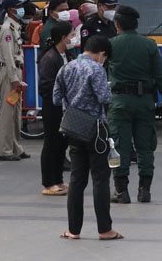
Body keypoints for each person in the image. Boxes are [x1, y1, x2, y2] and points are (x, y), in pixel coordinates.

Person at [54, 35, 122, 241]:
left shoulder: (65, 68)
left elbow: (56, 98)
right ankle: (104, 229)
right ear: (102, 54)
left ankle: (73, 230)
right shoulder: (96, 69)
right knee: (100, 179)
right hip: (96, 129)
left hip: (73, 128)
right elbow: (104, 97)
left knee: (76, 179)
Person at [108, 4, 162, 204]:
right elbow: (159, 75)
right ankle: (144, 190)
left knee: (119, 146)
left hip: (119, 102)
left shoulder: (111, 45)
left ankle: (121, 191)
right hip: (145, 102)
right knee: (145, 147)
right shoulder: (150, 45)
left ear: (117, 24)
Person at [39, 21, 77, 196]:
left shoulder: (67, 55)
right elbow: (45, 86)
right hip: (53, 107)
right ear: (63, 38)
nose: (73, 38)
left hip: (66, 107)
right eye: (71, 35)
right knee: (51, 144)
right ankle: (48, 182)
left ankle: (59, 179)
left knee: (62, 144)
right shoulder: (50, 58)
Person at [0, 0, 28, 161]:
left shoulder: (15, 27)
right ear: (9, 10)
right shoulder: (7, 29)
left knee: (15, 111)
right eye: (18, 7)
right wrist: (14, 78)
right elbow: (8, 56)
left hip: (15, 70)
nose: (21, 9)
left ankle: (15, 147)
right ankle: (5, 149)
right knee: (8, 111)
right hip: (10, 71)